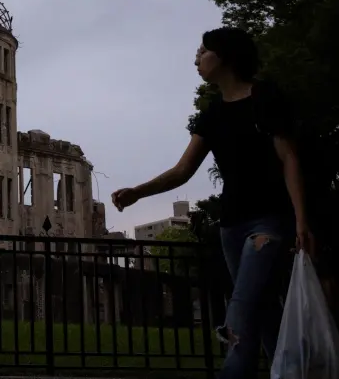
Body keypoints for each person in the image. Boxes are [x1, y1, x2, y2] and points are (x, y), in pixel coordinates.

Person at [112, 27, 315, 379]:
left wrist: (301, 220)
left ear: (225, 57)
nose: (196, 59)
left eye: (203, 51)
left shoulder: (265, 97)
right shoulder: (213, 114)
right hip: (232, 226)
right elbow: (183, 171)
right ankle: (292, 371)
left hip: (268, 222)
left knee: (241, 307)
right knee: (262, 307)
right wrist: (137, 193)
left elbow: (289, 158)